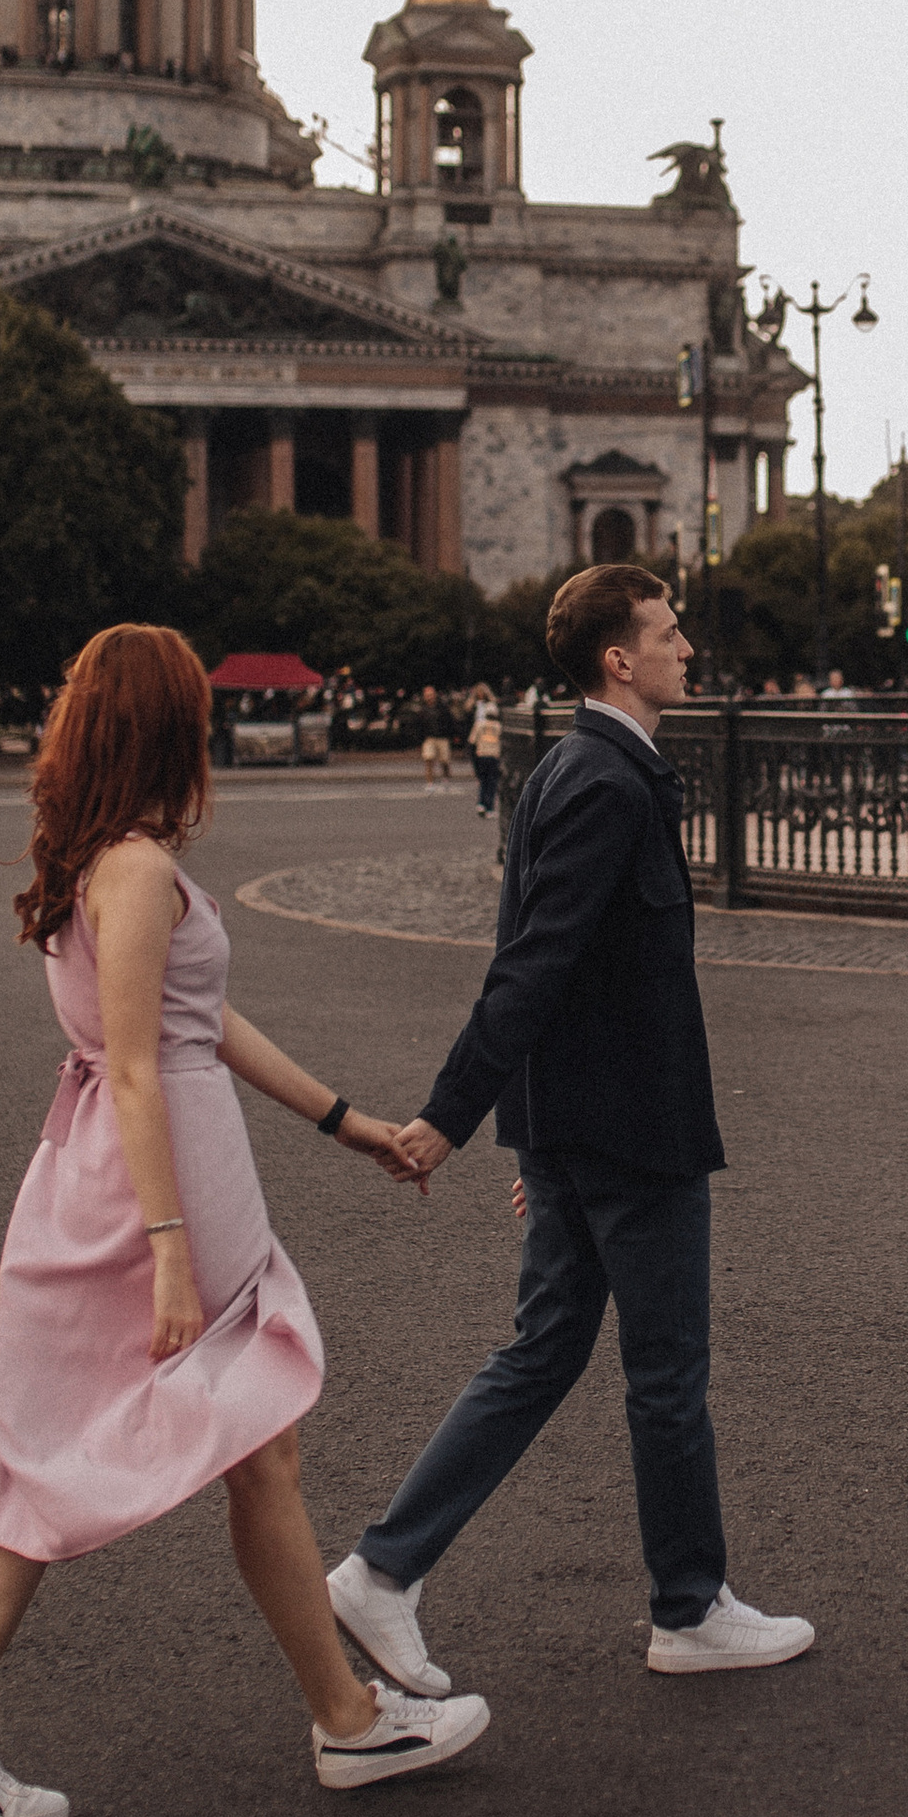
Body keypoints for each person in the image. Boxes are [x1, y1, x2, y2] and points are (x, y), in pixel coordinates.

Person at [0, 624, 489, 1817]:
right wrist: (169, 1249)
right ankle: (348, 1725)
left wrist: (342, 1119)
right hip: (161, 1184)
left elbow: (195, 1018)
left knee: (163, 1452)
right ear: (170, 729)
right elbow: (149, 1068)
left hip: (105, 1177)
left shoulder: (97, 860)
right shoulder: (139, 870)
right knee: (240, 1444)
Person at [325, 564, 812, 1688]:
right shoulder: (607, 781)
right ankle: (687, 1609)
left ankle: (385, 1571)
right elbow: (531, 967)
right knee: (665, 1374)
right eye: (668, 632)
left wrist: (538, 1139)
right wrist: (449, 1122)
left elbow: (540, 961)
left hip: (577, 1125)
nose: (687, 647)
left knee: (541, 1354)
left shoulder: (566, 768)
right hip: (631, 1130)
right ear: (618, 659)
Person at [467, 686, 504, 816]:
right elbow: (502, 742)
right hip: (493, 755)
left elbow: (472, 741)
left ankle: (481, 803)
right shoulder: (498, 726)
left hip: (481, 754)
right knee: (492, 782)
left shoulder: (479, 724)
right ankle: (490, 807)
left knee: (483, 780)